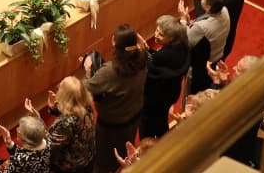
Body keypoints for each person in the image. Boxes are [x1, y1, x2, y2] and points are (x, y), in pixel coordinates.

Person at [87, 25, 149, 173]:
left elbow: (85, 89)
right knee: (123, 153)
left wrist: (88, 71)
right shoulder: (143, 57)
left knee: (103, 162)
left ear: (113, 41)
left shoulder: (109, 71)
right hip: (133, 117)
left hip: (111, 127)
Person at [142, 15, 190, 137]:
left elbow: (151, 70)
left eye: (161, 34)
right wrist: (150, 52)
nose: (156, 35)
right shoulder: (182, 46)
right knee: (161, 121)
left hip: (155, 98)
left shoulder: (162, 56)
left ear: (171, 38)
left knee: (147, 128)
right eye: (157, 30)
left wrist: (144, 54)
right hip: (171, 92)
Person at [41, 76, 97, 173]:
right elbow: (72, 112)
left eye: (60, 87)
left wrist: (38, 122)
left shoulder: (65, 123)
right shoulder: (86, 105)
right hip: (88, 157)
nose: (58, 87)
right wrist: (54, 108)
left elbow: (49, 146)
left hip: (72, 166)